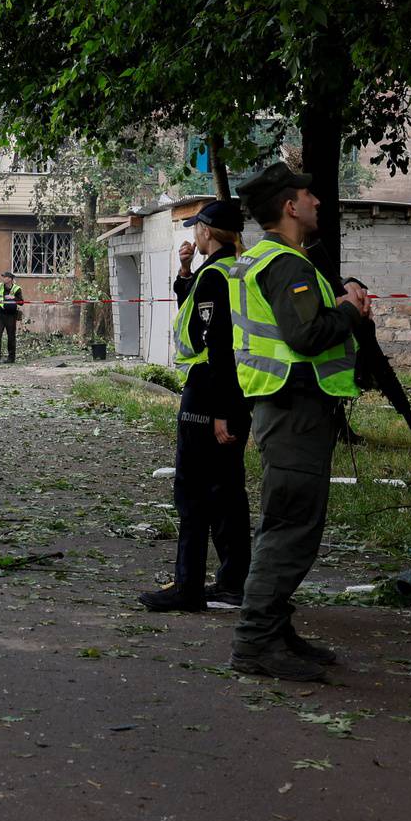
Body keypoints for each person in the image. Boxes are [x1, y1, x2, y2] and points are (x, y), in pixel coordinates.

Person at [224, 163, 370, 682]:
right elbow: (306, 337)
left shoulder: (265, 258)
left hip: (281, 408)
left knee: (283, 523)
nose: (318, 203)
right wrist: (351, 310)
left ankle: (275, 631)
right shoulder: (287, 265)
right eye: (310, 196)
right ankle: (255, 644)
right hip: (294, 411)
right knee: (290, 529)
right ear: (290, 206)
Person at [139, 199, 252, 613]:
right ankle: (232, 582)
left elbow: (217, 339)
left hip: (209, 388)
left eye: (196, 229)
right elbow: (196, 306)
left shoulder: (217, 275)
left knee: (192, 490)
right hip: (233, 387)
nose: (193, 236)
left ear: (207, 230)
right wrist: (185, 268)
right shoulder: (231, 270)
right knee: (226, 491)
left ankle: (187, 586)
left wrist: (222, 408)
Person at [0, 270, 24, 363]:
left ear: (10, 279)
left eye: (5, 277)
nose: (3, 278)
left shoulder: (17, 289)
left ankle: (11, 357)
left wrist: (13, 298)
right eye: (3, 277)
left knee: (11, 336)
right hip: (0, 314)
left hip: (11, 315)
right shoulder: (0, 286)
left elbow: (21, 302)